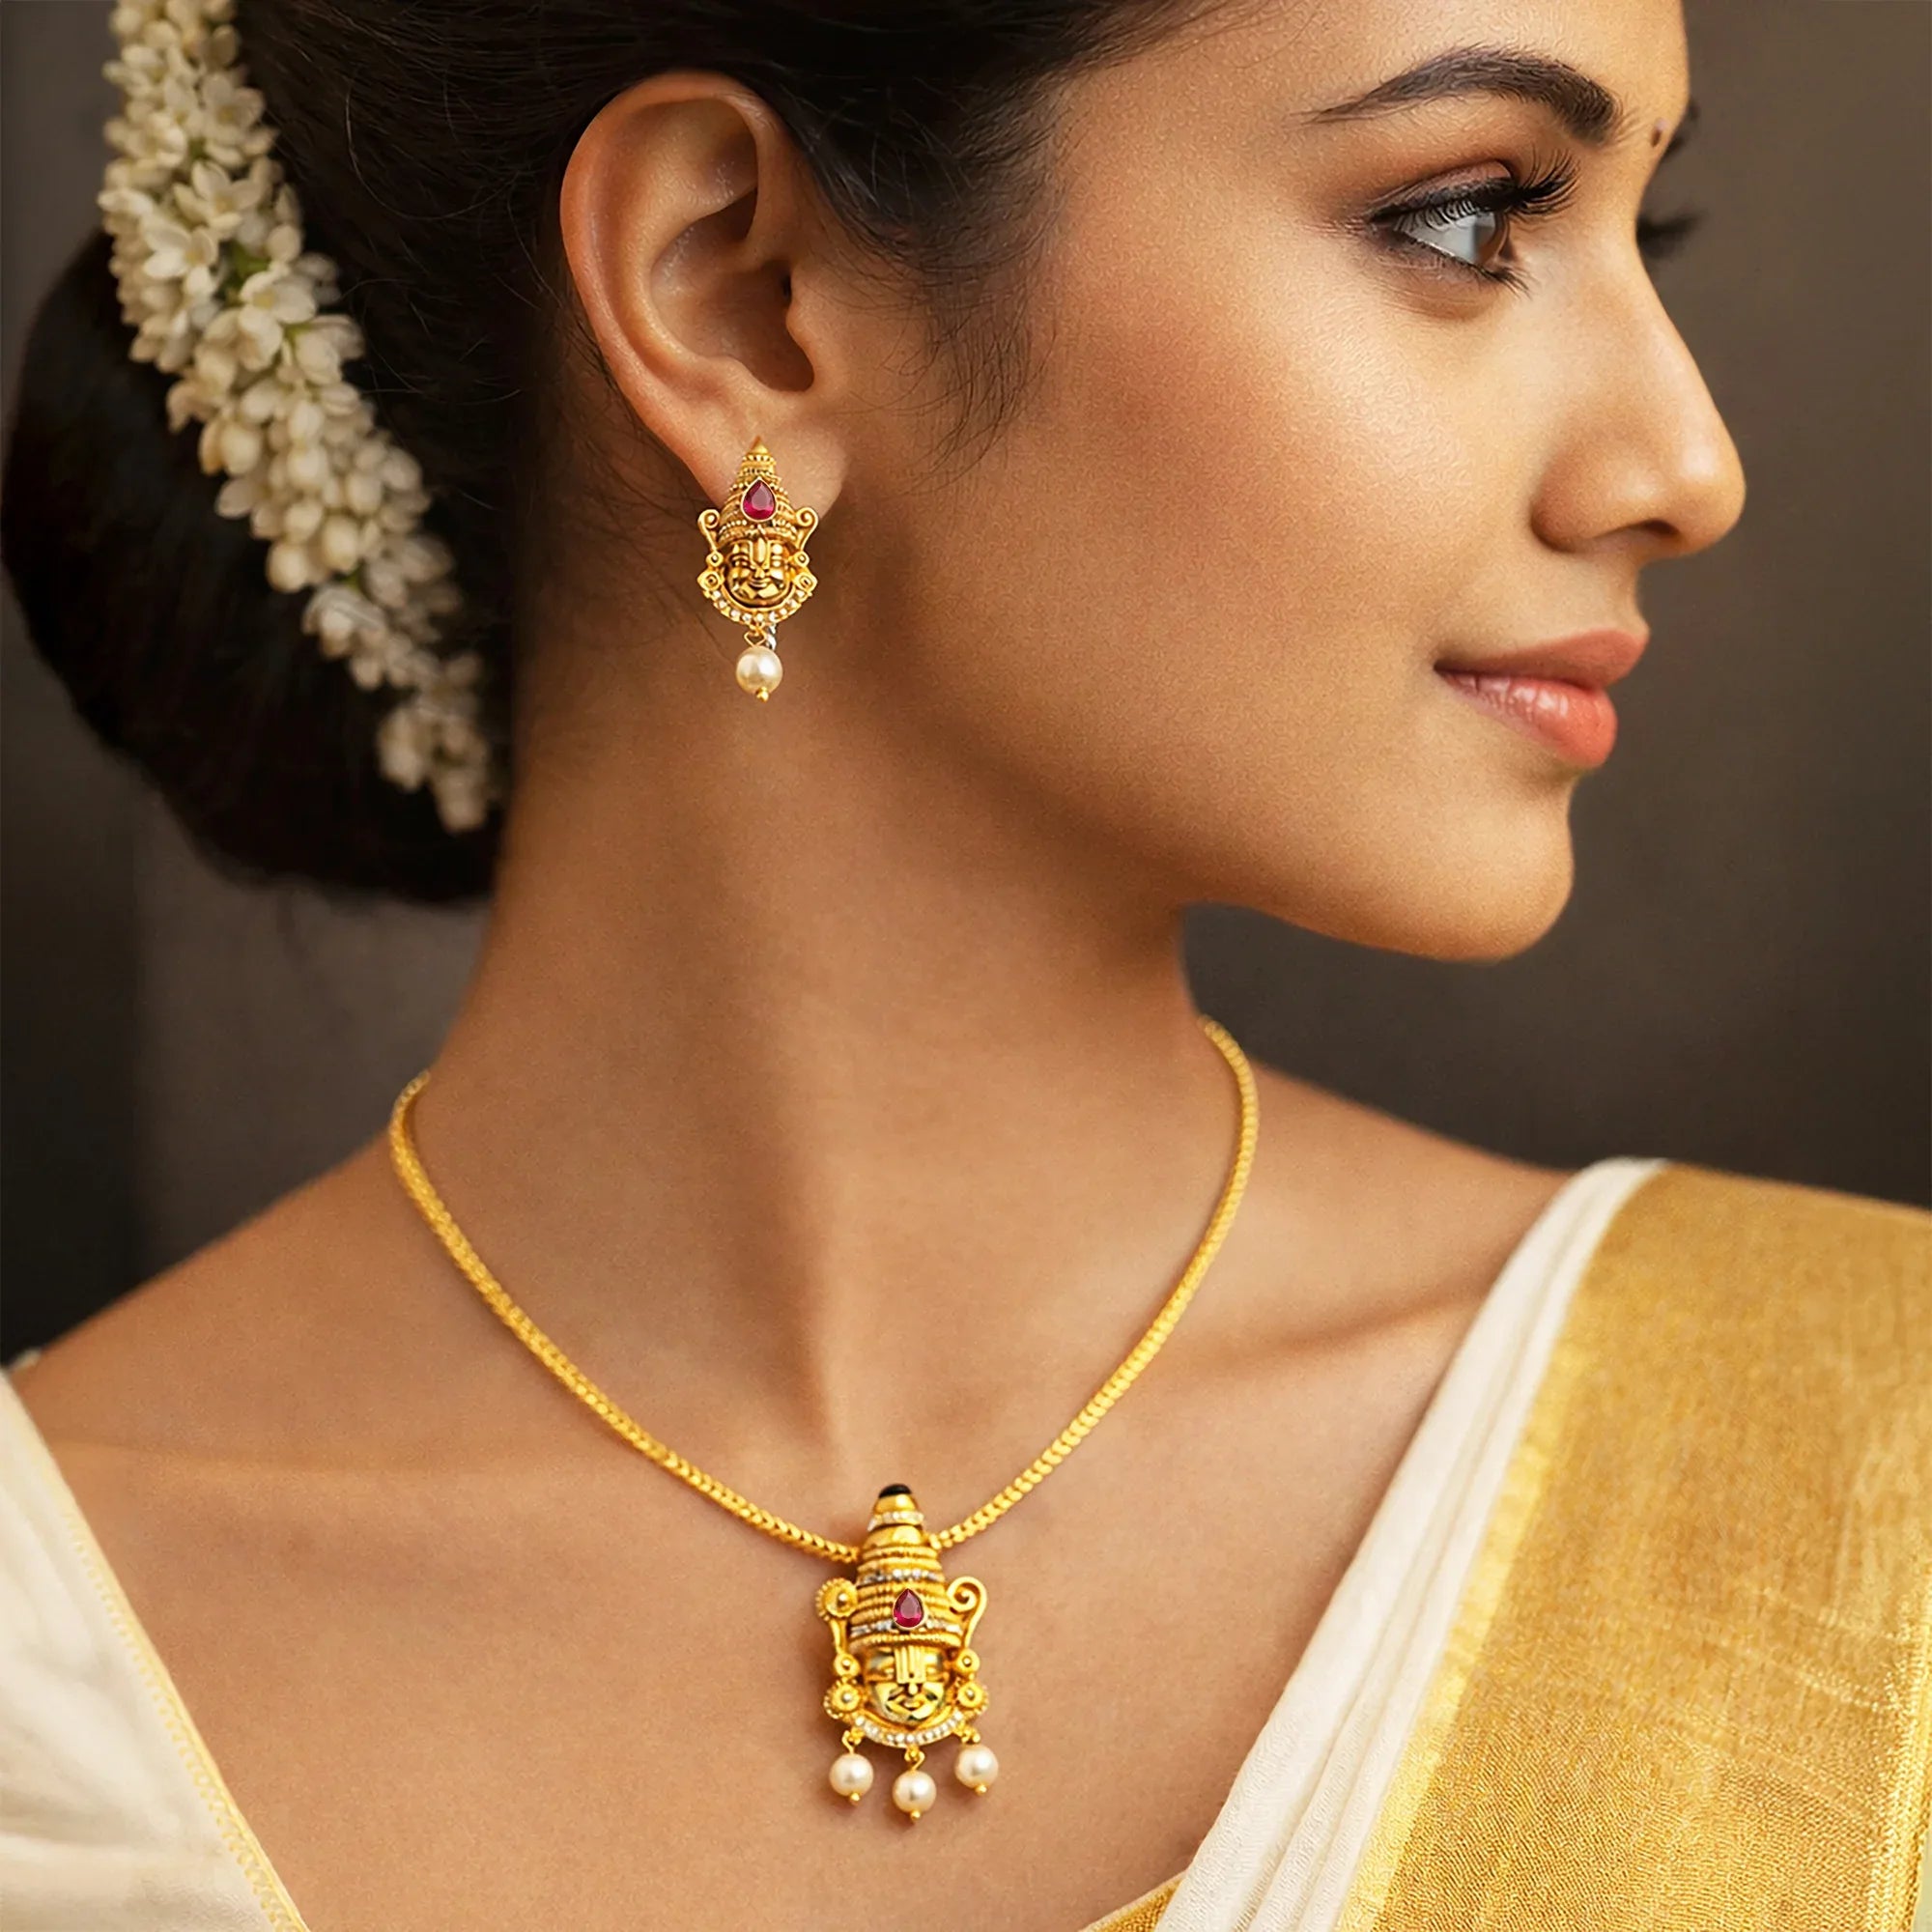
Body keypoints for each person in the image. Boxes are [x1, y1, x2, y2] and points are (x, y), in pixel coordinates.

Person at [1, 0, 1925, 1926]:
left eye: (1635, 232)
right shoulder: (47, 1690)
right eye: (1467, 217)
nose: (1684, 464)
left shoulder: (1867, 1490)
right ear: (738, 298)